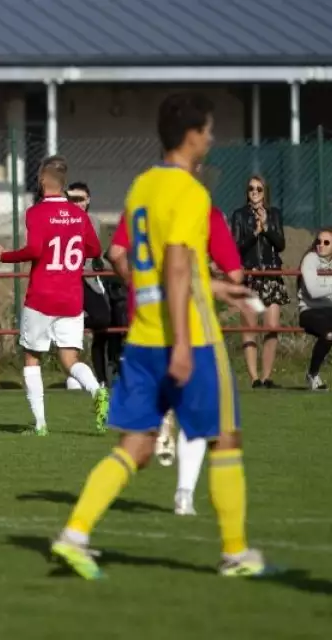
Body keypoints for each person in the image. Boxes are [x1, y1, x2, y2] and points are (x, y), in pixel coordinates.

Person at [52, 92, 270, 580]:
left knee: (138, 445)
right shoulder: (192, 193)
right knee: (226, 438)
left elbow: (129, 260)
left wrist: (215, 288)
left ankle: (74, 535)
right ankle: (235, 553)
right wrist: (184, 346)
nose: (211, 139)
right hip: (188, 338)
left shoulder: (143, 186)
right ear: (193, 136)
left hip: (144, 336)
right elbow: (176, 267)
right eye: (209, 130)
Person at [108, 202, 244, 516]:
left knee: (136, 440)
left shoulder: (141, 203)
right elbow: (235, 272)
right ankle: (184, 494)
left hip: (145, 317)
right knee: (199, 415)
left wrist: (133, 281)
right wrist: (209, 280)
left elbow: (115, 253)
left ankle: (80, 526)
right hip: (189, 318)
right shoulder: (202, 209)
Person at [0, 156, 108, 436]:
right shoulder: (79, 215)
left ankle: (41, 424)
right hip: (71, 298)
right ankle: (97, 392)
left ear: (43, 180)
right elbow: (93, 249)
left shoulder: (36, 212)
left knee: (32, 359)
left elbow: (34, 249)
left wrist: (3, 255)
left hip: (42, 297)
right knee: (70, 359)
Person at [231, 175, 288, 389]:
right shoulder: (239, 216)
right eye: (251, 189)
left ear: (266, 192)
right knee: (250, 326)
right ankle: (254, 378)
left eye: (259, 189)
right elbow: (236, 247)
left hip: (271, 274)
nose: (254, 192)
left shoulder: (274, 214)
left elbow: (281, 244)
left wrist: (267, 227)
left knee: (272, 326)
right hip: (250, 276)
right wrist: (254, 233)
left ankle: (266, 376)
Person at [64, 182, 117, 389]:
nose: (77, 204)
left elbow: (98, 255)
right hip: (66, 280)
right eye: (73, 199)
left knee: (103, 320)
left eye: (81, 199)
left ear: (88, 200)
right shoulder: (59, 220)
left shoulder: (94, 222)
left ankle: (102, 378)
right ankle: (74, 373)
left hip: (88, 279)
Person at [297, 228, 332, 391]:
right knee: (329, 334)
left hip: (329, 311)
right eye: (319, 241)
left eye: (326, 243)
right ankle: (312, 374)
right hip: (309, 311)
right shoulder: (310, 259)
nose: (321, 246)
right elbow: (313, 291)